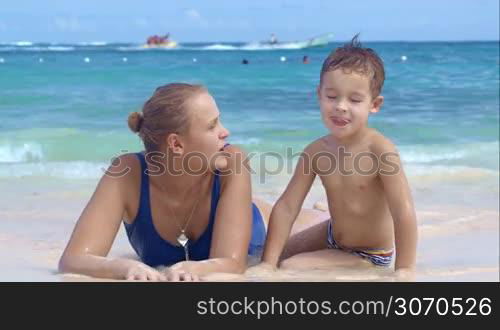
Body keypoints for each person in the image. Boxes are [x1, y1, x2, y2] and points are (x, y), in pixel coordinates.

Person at [58, 83, 268, 281]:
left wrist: (193, 267)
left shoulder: (232, 161)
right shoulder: (126, 174)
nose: (225, 132)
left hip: (263, 222)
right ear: (176, 143)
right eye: (212, 126)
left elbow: (233, 264)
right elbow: (72, 260)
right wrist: (124, 267)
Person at [249, 35, 418, 280]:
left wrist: (405, 270)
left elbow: (403, 210)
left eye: (355, 99)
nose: (340, 106)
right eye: (331, 96)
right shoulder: (316, 151)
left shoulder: (381, 151)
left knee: (291, 268)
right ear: (319, 95)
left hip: (369, 251)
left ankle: (364, 265)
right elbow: (287, 206)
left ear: (375, 104)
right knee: (271, 255)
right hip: (332, 233)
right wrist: (267, 263)